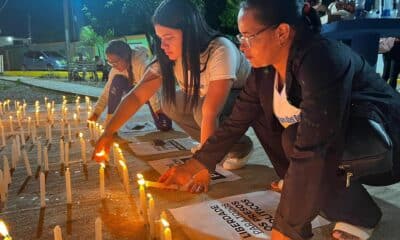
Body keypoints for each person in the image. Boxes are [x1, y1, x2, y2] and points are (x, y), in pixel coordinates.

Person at [158, 0, 400, 240]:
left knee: (297, 139)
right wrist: (194, 165)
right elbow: (235, 123)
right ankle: (344, 204)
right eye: (239, 37)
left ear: (282, 32)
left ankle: (358, 216)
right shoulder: (264, 72)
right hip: (340, 146)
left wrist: (287, 227)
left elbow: (316, 145)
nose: (242, 46)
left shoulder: (322, 59)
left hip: (386, 148)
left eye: (248, 36)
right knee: (269, 124)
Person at [92, 0, 253, 170]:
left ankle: (238, 147)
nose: (163, 45)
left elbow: (210, 112)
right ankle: (220, 148)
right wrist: (108, 132)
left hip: (245, 98)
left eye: (169, 38)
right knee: (170, 103)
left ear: (190, 32)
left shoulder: (219, 50)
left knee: (202, 110)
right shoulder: (168, 55)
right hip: (207, 100)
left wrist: (202, 166)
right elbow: (137, 95)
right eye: (160, 38)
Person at [89, 40, 172, 131]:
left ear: (125, 57)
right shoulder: (115, 70)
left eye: (115, 62)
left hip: (151, 92)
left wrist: (158, 110)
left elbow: (152, 89)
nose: (113, 66)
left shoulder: (141, 63)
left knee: (164, 126)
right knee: (117, 81)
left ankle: (164, 113)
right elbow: (107, 92)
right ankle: (110, 121)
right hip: (135, 92)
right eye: (110, 63)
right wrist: (96, 113)